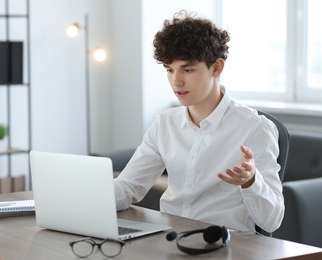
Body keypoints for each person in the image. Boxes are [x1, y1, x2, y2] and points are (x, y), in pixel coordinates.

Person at [113, 10, 284, 233]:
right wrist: (81, 198)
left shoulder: (254, 128)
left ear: (217, 67)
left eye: (188, 69)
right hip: (169, 239)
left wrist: (251, 181)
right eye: (169, 70)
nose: (176, 81)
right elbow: (129, 186)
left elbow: (272, 221)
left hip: (226, 246)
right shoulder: (165, 123)